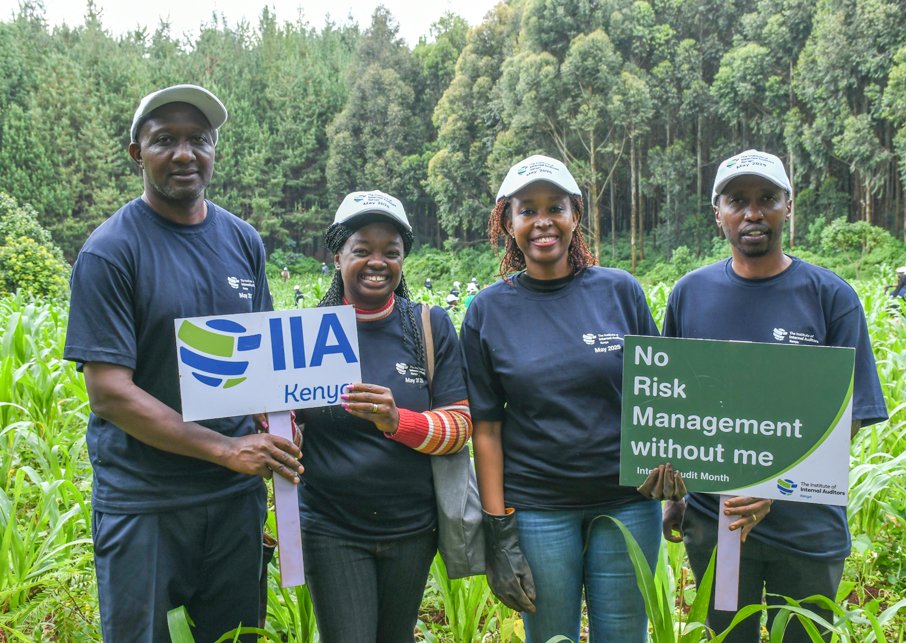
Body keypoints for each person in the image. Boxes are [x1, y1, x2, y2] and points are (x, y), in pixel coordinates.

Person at [64, 84, 303, 642]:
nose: (184, 154)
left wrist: (287, 431)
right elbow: (109, 392)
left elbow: (264, 364)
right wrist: (225, 449)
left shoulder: (243, 241)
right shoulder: (110, 251)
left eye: (199, 139)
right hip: (145, 501)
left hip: (233, 502)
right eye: (164, 140)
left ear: (215, 149)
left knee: (236, 636)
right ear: (136, 153)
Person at [661, 149, 888, 643]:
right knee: (728, 636)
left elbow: (845, 416)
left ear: (789, 206)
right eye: (737, 200)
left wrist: (775, 486)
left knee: (803, 636)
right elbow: (673, 406)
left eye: (767, 198)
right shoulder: (690, 294)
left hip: (808, 533)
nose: (752, 212)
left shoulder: (831, 297)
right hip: (720, 532)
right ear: (716, 212)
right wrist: (673, 498)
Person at [461, 154, 662, 642]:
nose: (542, 221)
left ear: (576, 214)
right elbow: (486, 429)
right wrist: (498, 530)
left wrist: (673, 466)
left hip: (628, 504)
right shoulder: (487, 310)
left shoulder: (620, 292)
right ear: (507, 223)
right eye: (527, 210)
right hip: (538, 509)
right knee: (552, 637)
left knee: (624, 634)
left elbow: (659, 394)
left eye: (556, 207)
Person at [298, 190, 472, 643]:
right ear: (338, 256)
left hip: (413, 529)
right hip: (331, 526)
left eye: (390, 252)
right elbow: (279, 423)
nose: (378, 261)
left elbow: (459, 428)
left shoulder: (429, 327)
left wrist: (398, 421)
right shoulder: (303, 333)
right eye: (362, 250)